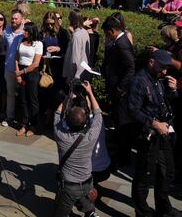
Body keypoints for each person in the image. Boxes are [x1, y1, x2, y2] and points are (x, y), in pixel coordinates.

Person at [127, 49, 178, 217]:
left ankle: (164, 208)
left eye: (166, 68)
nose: (165, 71)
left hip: (164, 133)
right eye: (162, 67)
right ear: (151, 62)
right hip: (148, 135)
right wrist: (154, 124)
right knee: (144, 175)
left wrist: (173, 91)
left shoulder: (159, 80)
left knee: (167, 172)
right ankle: (142, 212)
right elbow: (133, 111)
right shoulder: (139, 81)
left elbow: (164, 103)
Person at [52, 80, 103, 217]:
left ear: (67, 121)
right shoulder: (91, 136)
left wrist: (67, 98)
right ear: (86, 121)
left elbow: (57, 114)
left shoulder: (60, 135)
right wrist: (90, 93)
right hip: (87, 182)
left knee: (61, 212)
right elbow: (98, 114)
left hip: (69, 185)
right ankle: (91, 213)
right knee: (87, 203)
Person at [100, 15, 135, 166]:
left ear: (113, 31)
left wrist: (121, 87)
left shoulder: (122, 44)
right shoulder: (118, 42)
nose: (106, 36)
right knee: (119, 120)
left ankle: (124, 153)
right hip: (115, 87)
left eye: (107, 33)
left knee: (123, 122)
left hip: (121, 91)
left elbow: (130, 67)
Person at [15, 22, 43, 137]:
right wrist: (18, 73)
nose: (24, 32)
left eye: (26, 30)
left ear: (31, 31)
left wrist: (22, 72)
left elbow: (36, 63)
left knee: (33, 99)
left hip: (31, 73)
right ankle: (24, 124)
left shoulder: (38, 44)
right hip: (21, 71)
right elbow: (16, 57)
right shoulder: (20, 41)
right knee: (23, 99)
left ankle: (34, 125)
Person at [2, 9, 25, 128]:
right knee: (10, 94)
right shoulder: (6, 31)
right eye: (12, 18)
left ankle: (23, 119)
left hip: (23, 69)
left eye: (16, 18)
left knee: (23, 95)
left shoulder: (26, 32)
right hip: (9, 68)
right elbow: (3, 45)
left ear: (22, 19)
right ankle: (9, 116)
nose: (13, 20)